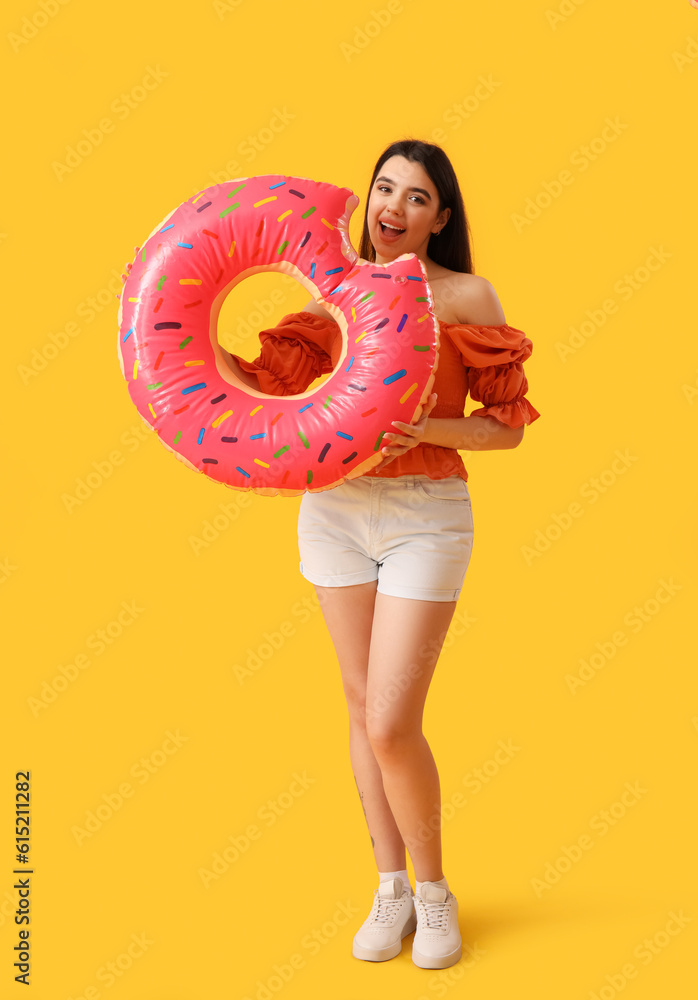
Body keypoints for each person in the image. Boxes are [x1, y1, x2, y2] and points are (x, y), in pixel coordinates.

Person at [120, 139, 540, 970]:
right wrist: (173, 340)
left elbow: (507, 427)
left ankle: (434, 892)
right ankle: (389, 888)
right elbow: (250, 394)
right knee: (358, 708)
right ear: (367, 200)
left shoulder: (463, 297)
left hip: (427, 513)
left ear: (441, 217)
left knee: (391, 720)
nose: (394, 207)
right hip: (334, 516)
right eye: (385, 188)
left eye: (417, 197)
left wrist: (427, 428)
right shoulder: (329, 303)